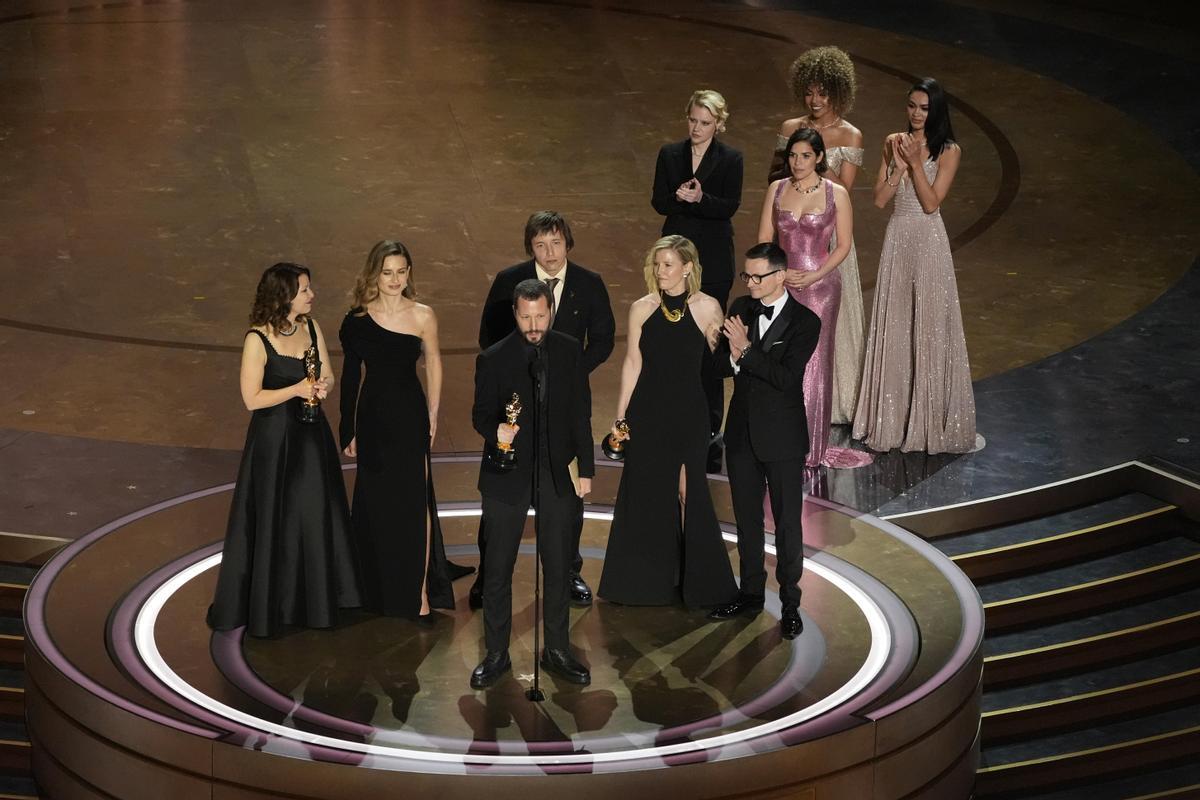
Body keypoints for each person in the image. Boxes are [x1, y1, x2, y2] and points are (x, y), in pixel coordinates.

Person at [208, 263, 361, 638]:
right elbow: (251, 399)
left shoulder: (310, 327)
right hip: (275, 441)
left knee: (311, 513)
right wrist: (296, 390)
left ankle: (317, 601)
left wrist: (321, 386)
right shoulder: (257, 339)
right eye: (304, 290)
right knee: (277, 514)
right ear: (284, 296)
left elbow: (326, 372)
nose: (312, 295)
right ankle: (273, 604)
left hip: (311, 438)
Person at [471, 211, 615, 609]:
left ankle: (569, 570)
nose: (549, 253)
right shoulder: (508, 281)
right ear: (529, 247)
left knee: (566, 494)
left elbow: (603, 339)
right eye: (540, 245)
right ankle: (489, 574)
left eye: (555, 243)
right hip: (514, 404)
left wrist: (566, 371)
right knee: (503, 493)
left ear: (568, 242)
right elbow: (490, 336)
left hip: (566, 402)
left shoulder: (589, 283)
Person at [597, 236, 738, 607]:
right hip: (648, 413)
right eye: (657, 264)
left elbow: (717, 367)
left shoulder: (708, 308)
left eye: (669, 265)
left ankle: (701, 584)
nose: (661, 272)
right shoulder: (642, 308)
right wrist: (621, 415)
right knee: (646, 493)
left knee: (688, 491)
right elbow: (632, 363)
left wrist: (725, 346)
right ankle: (644, 583)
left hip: (689, 413)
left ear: (688, 268)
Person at [470, 279, 595, 689]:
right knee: (497, 568)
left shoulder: (569, 351)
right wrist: (497, 432)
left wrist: (587, 471)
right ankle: (496, 654)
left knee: (558, 565)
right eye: (526, 316)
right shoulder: (494, 358)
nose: (534, 323)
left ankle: (556, 650)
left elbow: (580, 412)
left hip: (556, 471)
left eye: (540, 315)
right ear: (515, 314)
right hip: (506, 473)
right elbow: (481, 415)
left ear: (551, 311)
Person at [852, 78, 977, 453]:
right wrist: (897, 166)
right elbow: (878, 199)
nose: (916, 114)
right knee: (897, 321)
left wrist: (916, 164)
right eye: (911, 106)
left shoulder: (949, 150)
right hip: (897, 239)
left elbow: (931, 203)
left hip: (928, 242)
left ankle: (926, 419)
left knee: (927, 325)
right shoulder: (893, 141)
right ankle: (892, 416)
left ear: (936, 110)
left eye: (924, 108)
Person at [339, 240, 454, 623]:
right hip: (372, 417)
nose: (394, 279)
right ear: (374, 273)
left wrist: (434, 414)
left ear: (409, 273)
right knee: (375, 501)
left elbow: (434, 364)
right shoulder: (355, 320)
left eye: (401, 271)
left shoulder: (423, 315)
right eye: (387, 272)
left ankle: (418, 593)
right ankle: (373, 590)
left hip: (409, 414)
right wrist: (347, 428)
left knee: (413, 502)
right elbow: (351, 378)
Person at [709, 244, 820, 640]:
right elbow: (721, 365)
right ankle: (750, 593)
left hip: (783, 439)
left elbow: (786, 378)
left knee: (788, 525)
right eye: (747, 276)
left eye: (758, 277)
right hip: (741, 435)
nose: (750, 283)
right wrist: (729, 352)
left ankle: (791, 605)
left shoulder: (805, 322)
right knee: (747, 521)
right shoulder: (741, 306)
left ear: (779, 276)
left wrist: (746, 351)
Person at [758, 128, 872, 470]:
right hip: (781, 284)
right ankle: (777, 436)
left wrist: (814, 275)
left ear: (819, 158)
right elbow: (765, 238)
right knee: (776, 358)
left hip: (820, 288)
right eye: (793, 155)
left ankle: (808, 445)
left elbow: (843, 246)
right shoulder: (776, 190)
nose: (797, 162)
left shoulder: (836, 192)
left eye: (806, 156)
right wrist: (778, 274)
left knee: (814, 363)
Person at [768, 46, 867, 425]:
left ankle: (834, 399)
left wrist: (815, 162)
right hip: (794, 231)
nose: (815, 100)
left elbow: (845, 188)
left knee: (831, 322)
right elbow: (777, 177)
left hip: (828, 234)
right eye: (809, 92)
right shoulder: (789, 129)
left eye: (823, 92)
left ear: (838, 92)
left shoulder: (851, 135)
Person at [652, 89, 744, 473]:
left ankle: (710, 434)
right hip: (675, 259)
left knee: (709, 346)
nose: (697, 128)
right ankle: (672, 424)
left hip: (714, 261)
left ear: (718, 124)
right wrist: (678, 198)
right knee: (672, 339)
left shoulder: (730, 159)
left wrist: (701, 198)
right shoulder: (670, 154)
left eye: (705, 123)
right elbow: (658, 201)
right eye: (692, 120)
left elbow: (730, 206)